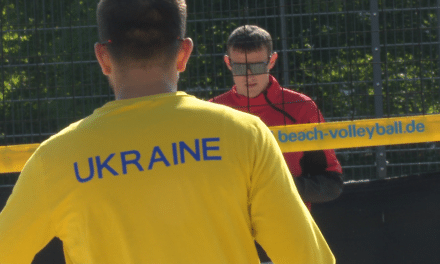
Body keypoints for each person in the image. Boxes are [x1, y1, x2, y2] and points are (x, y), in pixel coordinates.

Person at [0, 1, 335, 263]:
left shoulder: (56, 158)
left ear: (102, 57)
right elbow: (307, 258)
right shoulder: (245, 134)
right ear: (184, 53)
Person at [210, 25, 344, 211]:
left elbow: (331, 183)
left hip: (287, 222)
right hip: (232, 225)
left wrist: (276, 188)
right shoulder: (212, 111)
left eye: (257, 66)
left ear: (271, 61)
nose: (249, 75)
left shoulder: (300, 107)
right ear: (228, 63)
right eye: (240, 67)